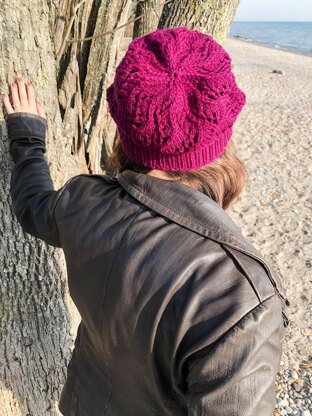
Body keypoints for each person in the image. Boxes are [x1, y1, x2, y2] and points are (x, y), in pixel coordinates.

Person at [3, 26, 289, 416]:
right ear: (222, 126)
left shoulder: (83, 201)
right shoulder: (236, 297)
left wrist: (27, 140)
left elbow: (33, 206)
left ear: (124, 123)